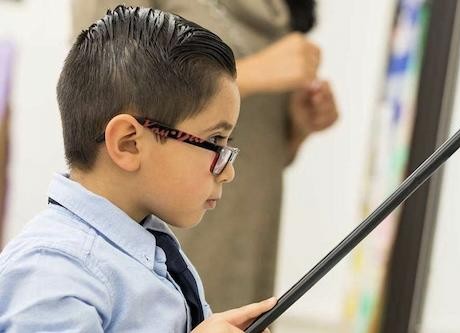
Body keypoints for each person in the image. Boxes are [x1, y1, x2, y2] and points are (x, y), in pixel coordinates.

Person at [0, 6, 275, 332]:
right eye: (214, 140)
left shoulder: (151, 248)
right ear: (129, 143)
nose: (227, 171)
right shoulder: (53, 271)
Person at [71, 0, 339, 311]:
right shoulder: (59, 269)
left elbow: (261, 153)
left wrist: (298, 129)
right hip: (171, 240)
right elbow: (96, 85)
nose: (228, 172)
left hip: (250, 233)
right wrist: (252, 72)